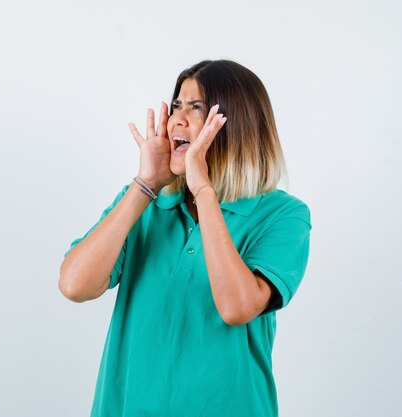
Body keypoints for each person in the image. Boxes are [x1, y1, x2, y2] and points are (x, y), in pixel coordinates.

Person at [58, 59, 312, 417]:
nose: (177, 119)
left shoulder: (283, 215)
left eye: (196, 108)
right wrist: (145, 184)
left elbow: (236, 307)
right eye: (177, 106)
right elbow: (74, 285)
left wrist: (204, 191)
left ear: (237, 126)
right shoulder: (145, 203)